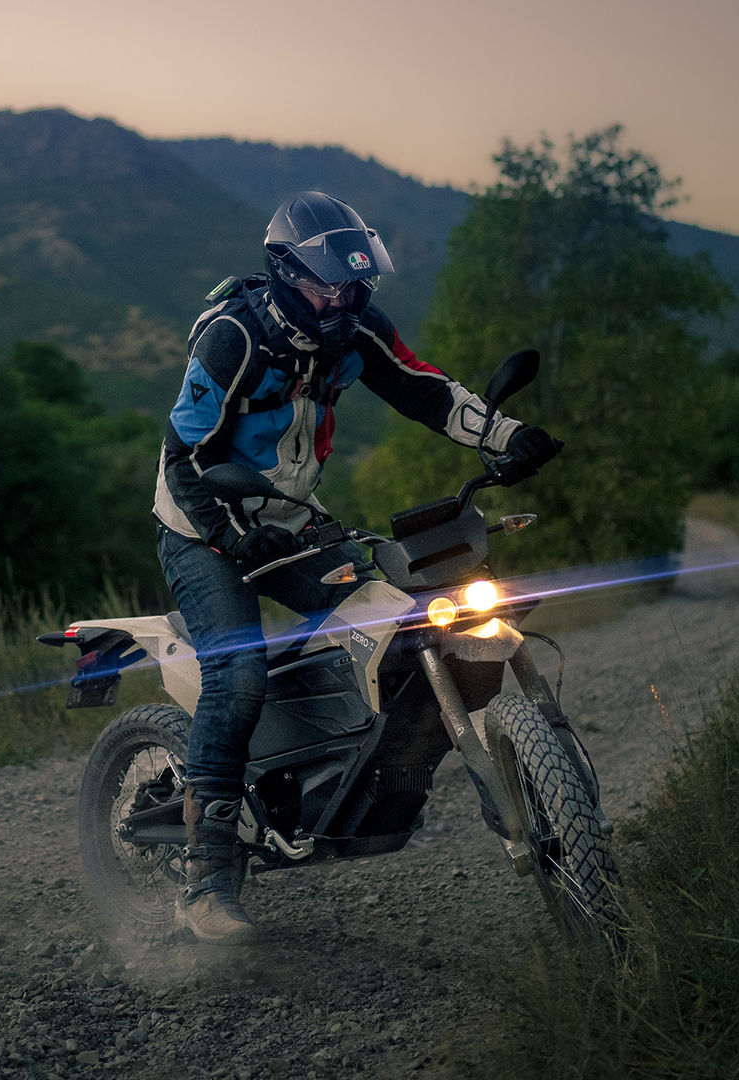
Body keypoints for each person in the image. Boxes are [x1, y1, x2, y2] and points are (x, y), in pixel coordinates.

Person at [154, 191, 558, 944]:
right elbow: (187, 458)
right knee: (237, 673)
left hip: (292, 523)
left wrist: (505, 433)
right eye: (322, 286)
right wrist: (231, 535)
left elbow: (422, 387)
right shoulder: (233, 337)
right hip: (205, 529)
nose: (339, 302)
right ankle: (205, 881)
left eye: (353, 287)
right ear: (282, 273)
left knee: (397, 625)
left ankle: (335, 783)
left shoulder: (352, 328)